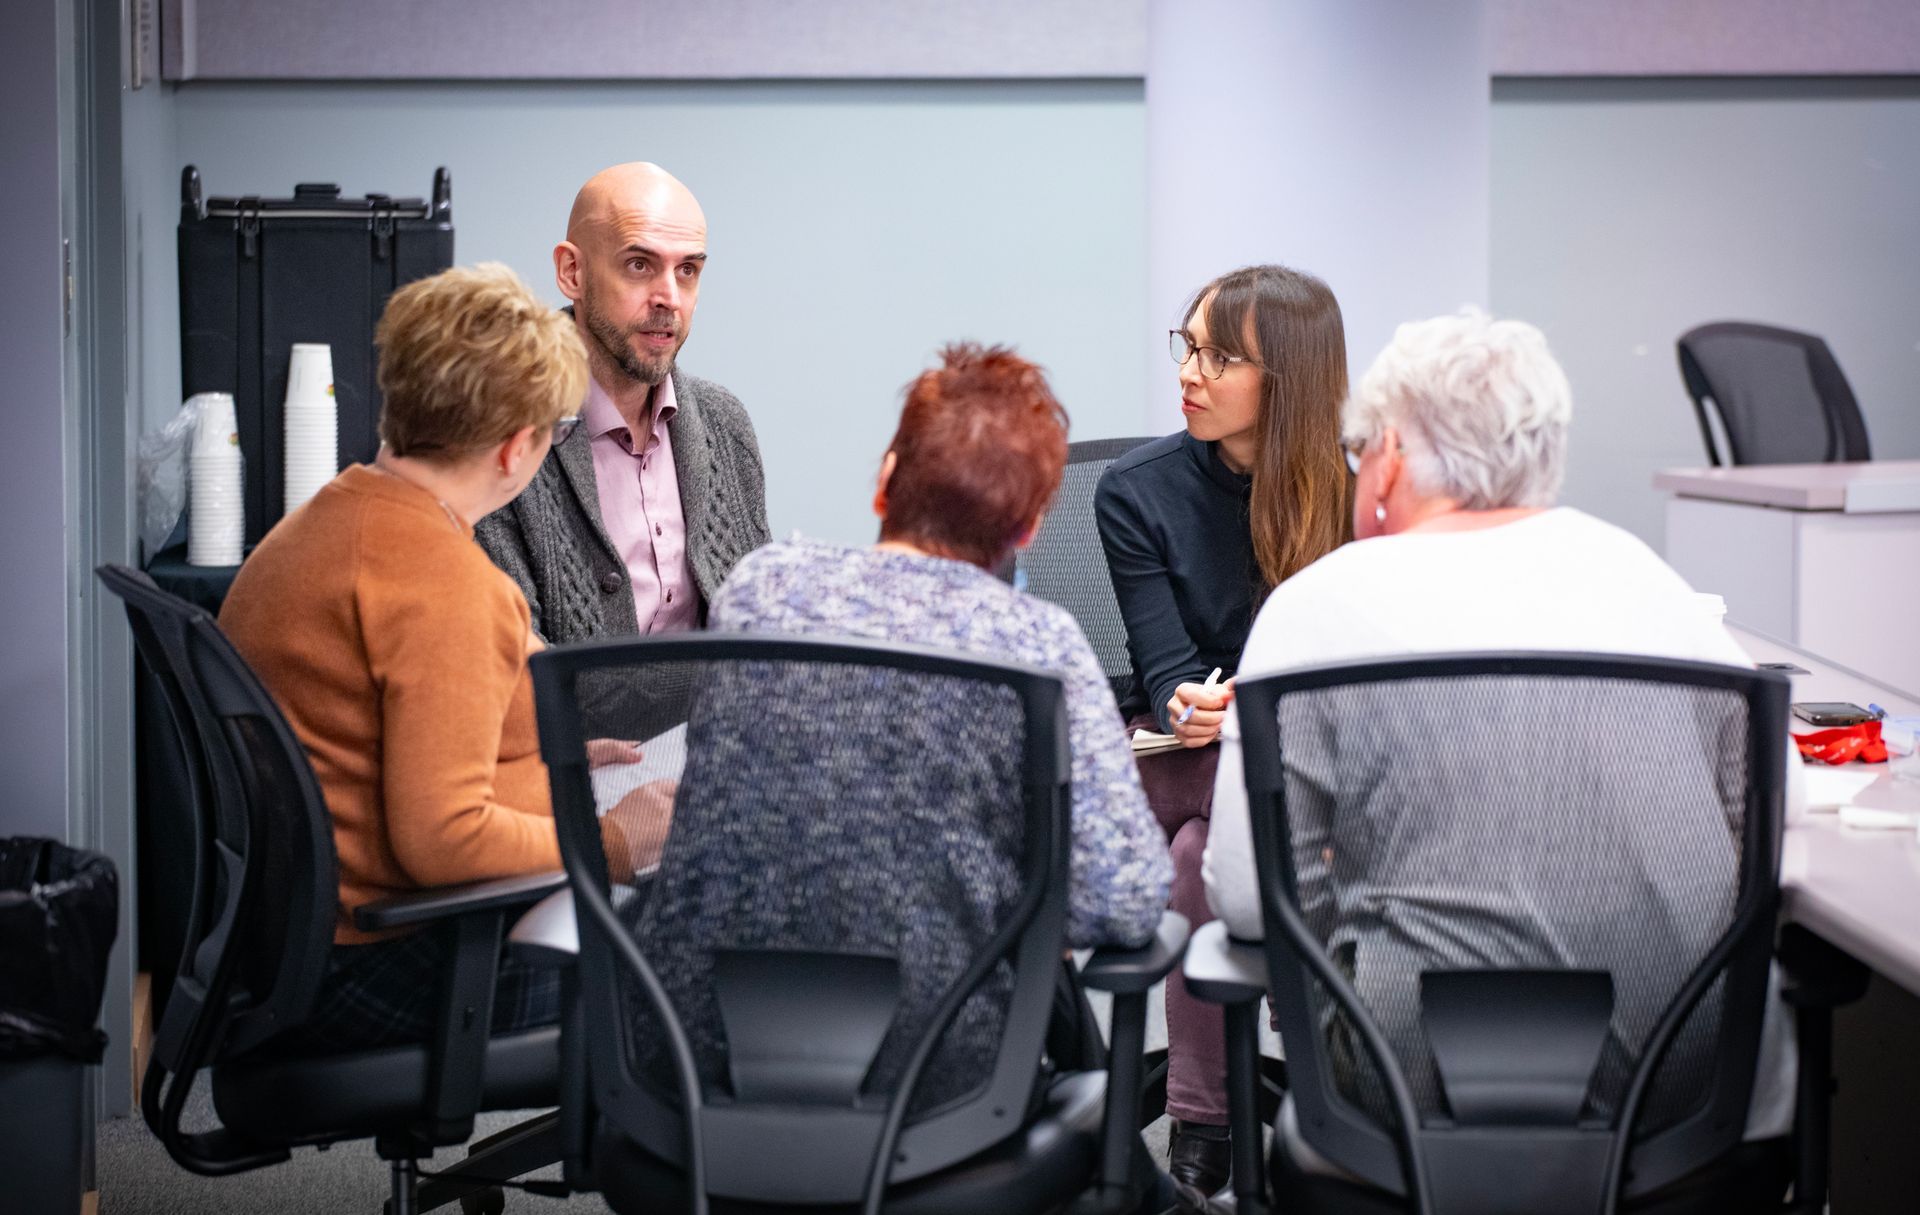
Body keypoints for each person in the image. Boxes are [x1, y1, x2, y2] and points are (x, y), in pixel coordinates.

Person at [1203, 309, 1797, 1182]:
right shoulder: (1656, 586)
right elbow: (1775, 839)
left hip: (1406, 1087)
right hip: (1687, 1091)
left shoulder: (1313, 606)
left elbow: (1252, 902)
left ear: (1393, 457)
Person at [631, 343, 1173, 1110]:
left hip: (695, 1063)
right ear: (1027, 530)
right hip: (933, 1082)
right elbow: (1122, 898)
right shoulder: (1038, 645)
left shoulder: (761, 588)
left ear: (884, 482)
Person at [220, 263, 674, 1053]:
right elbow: (445, 838)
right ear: (514, 448)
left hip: (305, 947)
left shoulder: (329, 523)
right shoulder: (443, 584)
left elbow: (369, 743)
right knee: (697, 945)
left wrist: (551, 756)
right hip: (397, 965)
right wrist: (611, 842)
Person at [1093, 264, 1349, 1190]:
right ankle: (1308, 1043)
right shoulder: (1136, 489)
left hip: (1284, 752)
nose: (1188, 373)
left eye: (1217, 356)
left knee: (1201, 854)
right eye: (1187, 346)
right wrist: (1189, 703)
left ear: (1286, 378)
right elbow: (1163, 667)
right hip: (1184, 750)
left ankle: (1201, 1121)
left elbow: (1348, 678)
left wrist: (1258, 706)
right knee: (1213, 802)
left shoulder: (1356, 495)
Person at [476, 161, 770, 643]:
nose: (669, 298)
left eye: (688, 270)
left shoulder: (724, 422)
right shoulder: (500, 426)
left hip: (709, 719)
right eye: (640, 265)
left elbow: (758, 629)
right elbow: (516, 667)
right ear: (572, 271)